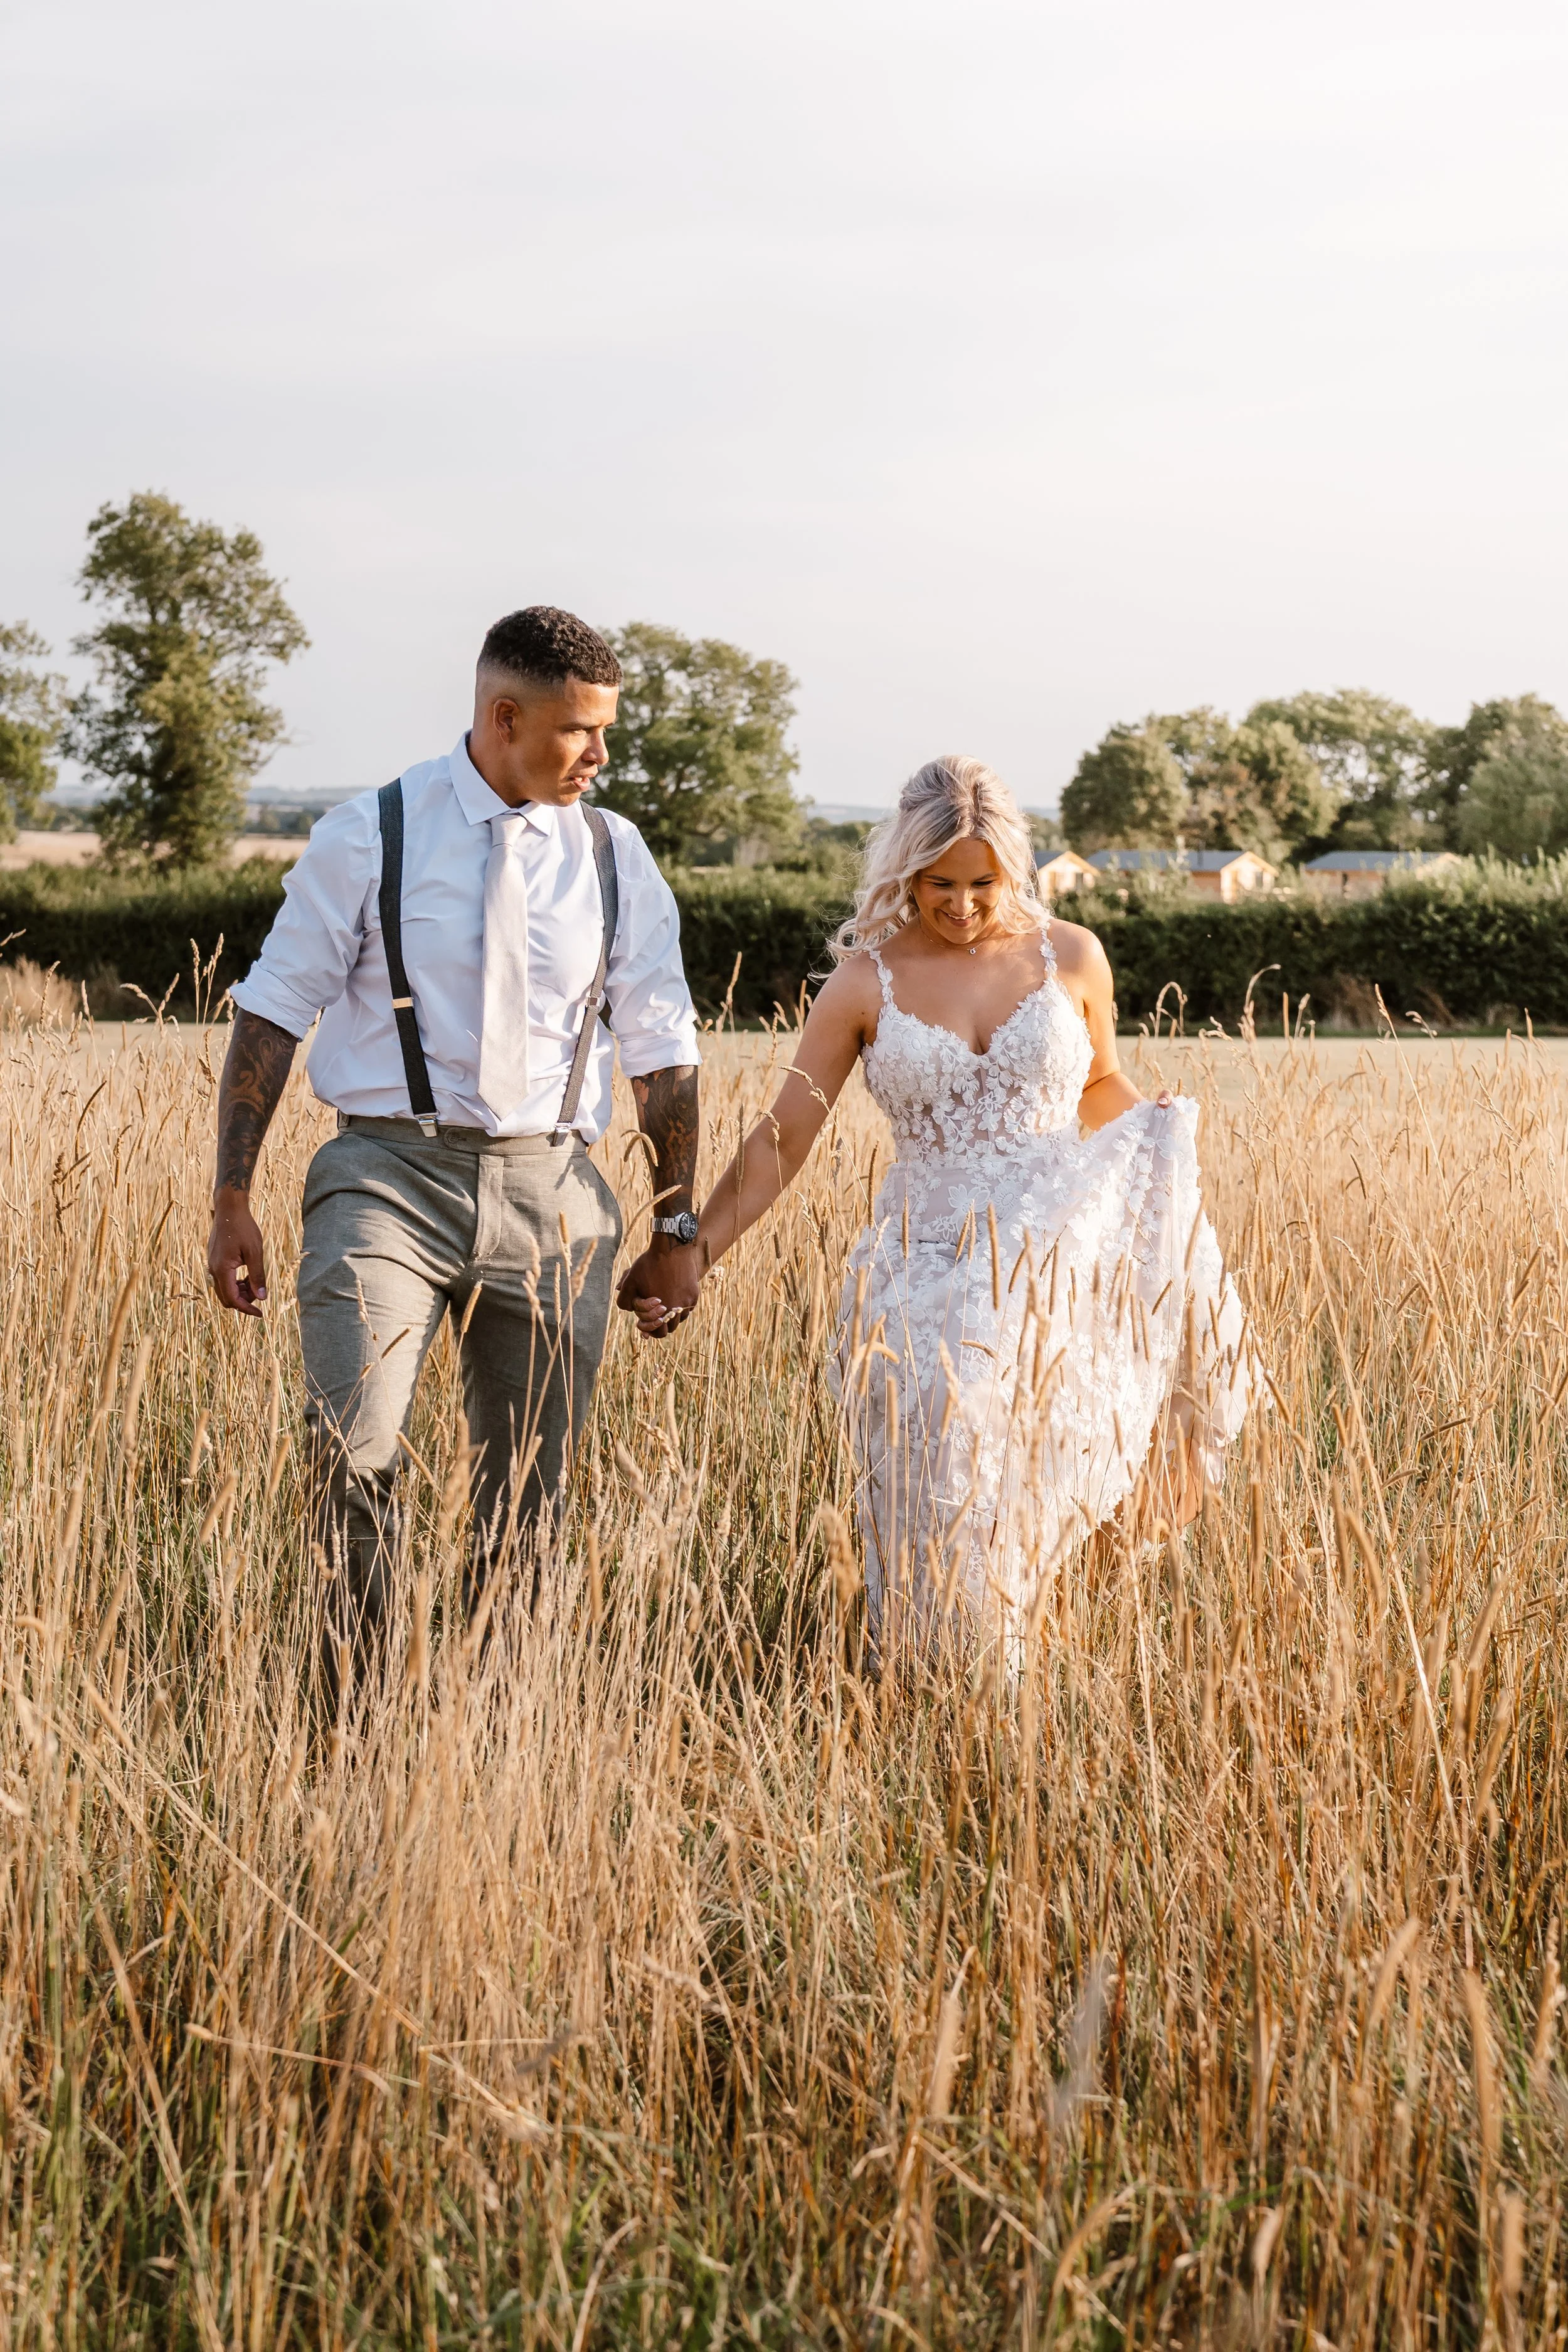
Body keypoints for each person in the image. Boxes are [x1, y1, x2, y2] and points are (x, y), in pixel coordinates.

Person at [628, 755, 1252, 1660]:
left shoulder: (1070, 955)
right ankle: (935, 1689)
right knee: (944, 1487)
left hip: (1055, 1263)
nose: (961, 905)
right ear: (906, 873)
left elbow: (1102, 1082)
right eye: (939, 885)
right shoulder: (861, 983)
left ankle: (1035, 1682)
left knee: (1051, 1482)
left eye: (982, 885)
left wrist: (1156, 1140)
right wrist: (695, 1251)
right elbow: (784, 1138)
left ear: (1013, 869)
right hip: (925, 1274)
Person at [208, 605, 706, 1709]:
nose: (602, 754)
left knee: (529, 1488)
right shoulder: (368, 833)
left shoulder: (616, 857)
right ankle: (358, 1720)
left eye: (606, 732)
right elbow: (272, 1014)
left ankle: (495, 1728)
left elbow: (664, 1050)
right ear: (503, 715)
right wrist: (230, 1196)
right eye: (580, 731)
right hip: (384, 1181)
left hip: (554, 1192)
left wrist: (679, 1228)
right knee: (352, 1447)